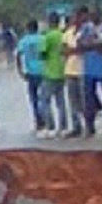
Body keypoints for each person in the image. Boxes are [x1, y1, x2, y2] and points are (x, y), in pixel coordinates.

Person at [77, 7, 102, 137]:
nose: (92, 17)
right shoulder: (86, 27)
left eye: (95, 15)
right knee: (88, 99)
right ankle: (89, 126)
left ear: (100, 15)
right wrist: (96, 45)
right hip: (88, 68)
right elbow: (79, 45)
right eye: (91, 15)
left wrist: (91, 45)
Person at [38, 11, 68, 139]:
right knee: (60, 102)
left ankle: (49, 127)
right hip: (62, 71)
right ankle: (63, 128)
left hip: (50, 72)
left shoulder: (47, 36)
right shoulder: (63, 35)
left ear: (49, 21)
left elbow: (42, 54)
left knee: (45, 101)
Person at [15, 19, 46, 134]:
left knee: (33, 98)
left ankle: (38, 119)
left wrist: (20, 70)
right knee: (43, 97)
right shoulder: (42, 39)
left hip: (30, 73)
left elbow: (18, 55)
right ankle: (43, 119)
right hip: (42, 71)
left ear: (28, 28)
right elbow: (45, 54)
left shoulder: (24, 41)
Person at [62, 10, 85, 137]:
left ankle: (87, 125)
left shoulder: (85, 32)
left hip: (82, 70)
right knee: (73, 101)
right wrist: (75, 50)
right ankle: (76, 126)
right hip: (70, 70)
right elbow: (63, 50)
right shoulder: (67, 34)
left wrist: (72, 50)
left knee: (84, 101)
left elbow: (84, 49)